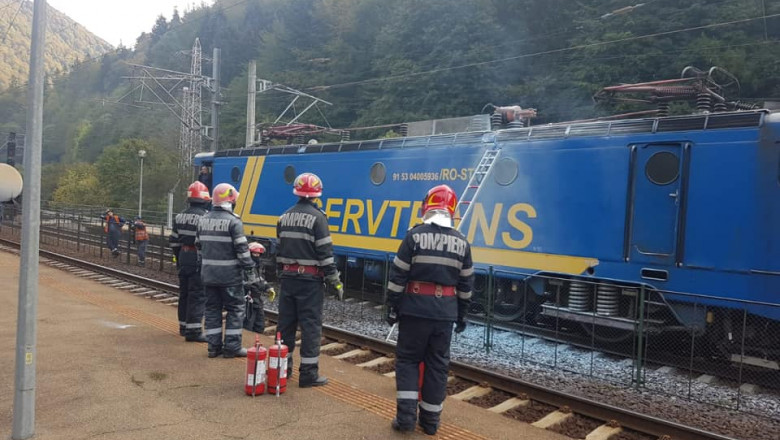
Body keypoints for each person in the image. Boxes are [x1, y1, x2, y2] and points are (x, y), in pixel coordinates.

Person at [385, 184, 474, 436]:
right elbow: (466, 285)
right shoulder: (462, 242)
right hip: (445, 313)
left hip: (414, 310)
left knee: (408, 361)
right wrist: (462, 313)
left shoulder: (413, 236)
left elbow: (398, 276)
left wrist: (392, 306)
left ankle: (405, 420)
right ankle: (431, 423)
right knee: (437, 366)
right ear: (453, 210)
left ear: (427, 207)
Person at [276, 172, 343, 387]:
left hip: (288, 279)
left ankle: (281, 370)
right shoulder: (319, 218)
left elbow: (279, 248)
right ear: (317, 194)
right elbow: (325, 253)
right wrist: (335, 281)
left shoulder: (284, 217)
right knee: (310, 327)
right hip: (310, 281)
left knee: (285, 325)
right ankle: (308, 374)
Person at [197, 182, 255, 358]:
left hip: (208, 275)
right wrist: (251, 271)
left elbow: (199, 249)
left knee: (212, 309)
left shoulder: (203, 220)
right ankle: (232, 347)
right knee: (236, 309)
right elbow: (243, 251)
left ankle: (213, 347)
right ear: (230, 200)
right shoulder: (234, 222)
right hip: (230, 277)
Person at [170, 181, 210, 342]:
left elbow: (173, 241)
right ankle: (193, 332)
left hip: (183, 256)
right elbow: (206, 243)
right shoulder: (205, 217)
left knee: (184, 293)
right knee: (197, 294)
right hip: (197, 258)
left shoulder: (179, 216)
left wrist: (180, 257)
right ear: (204, 200)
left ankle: (183, 327)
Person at [243, 242, 277, 333]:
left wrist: (268, 287)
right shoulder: (244, 266)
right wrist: (251, 287)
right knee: (248, 327)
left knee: (259, 326)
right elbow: (242, 282)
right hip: (248, 301)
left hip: (258, 301)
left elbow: (261, 280)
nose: (257, 256)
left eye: (259, 254)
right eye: (255, 253)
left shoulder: (259, 266)